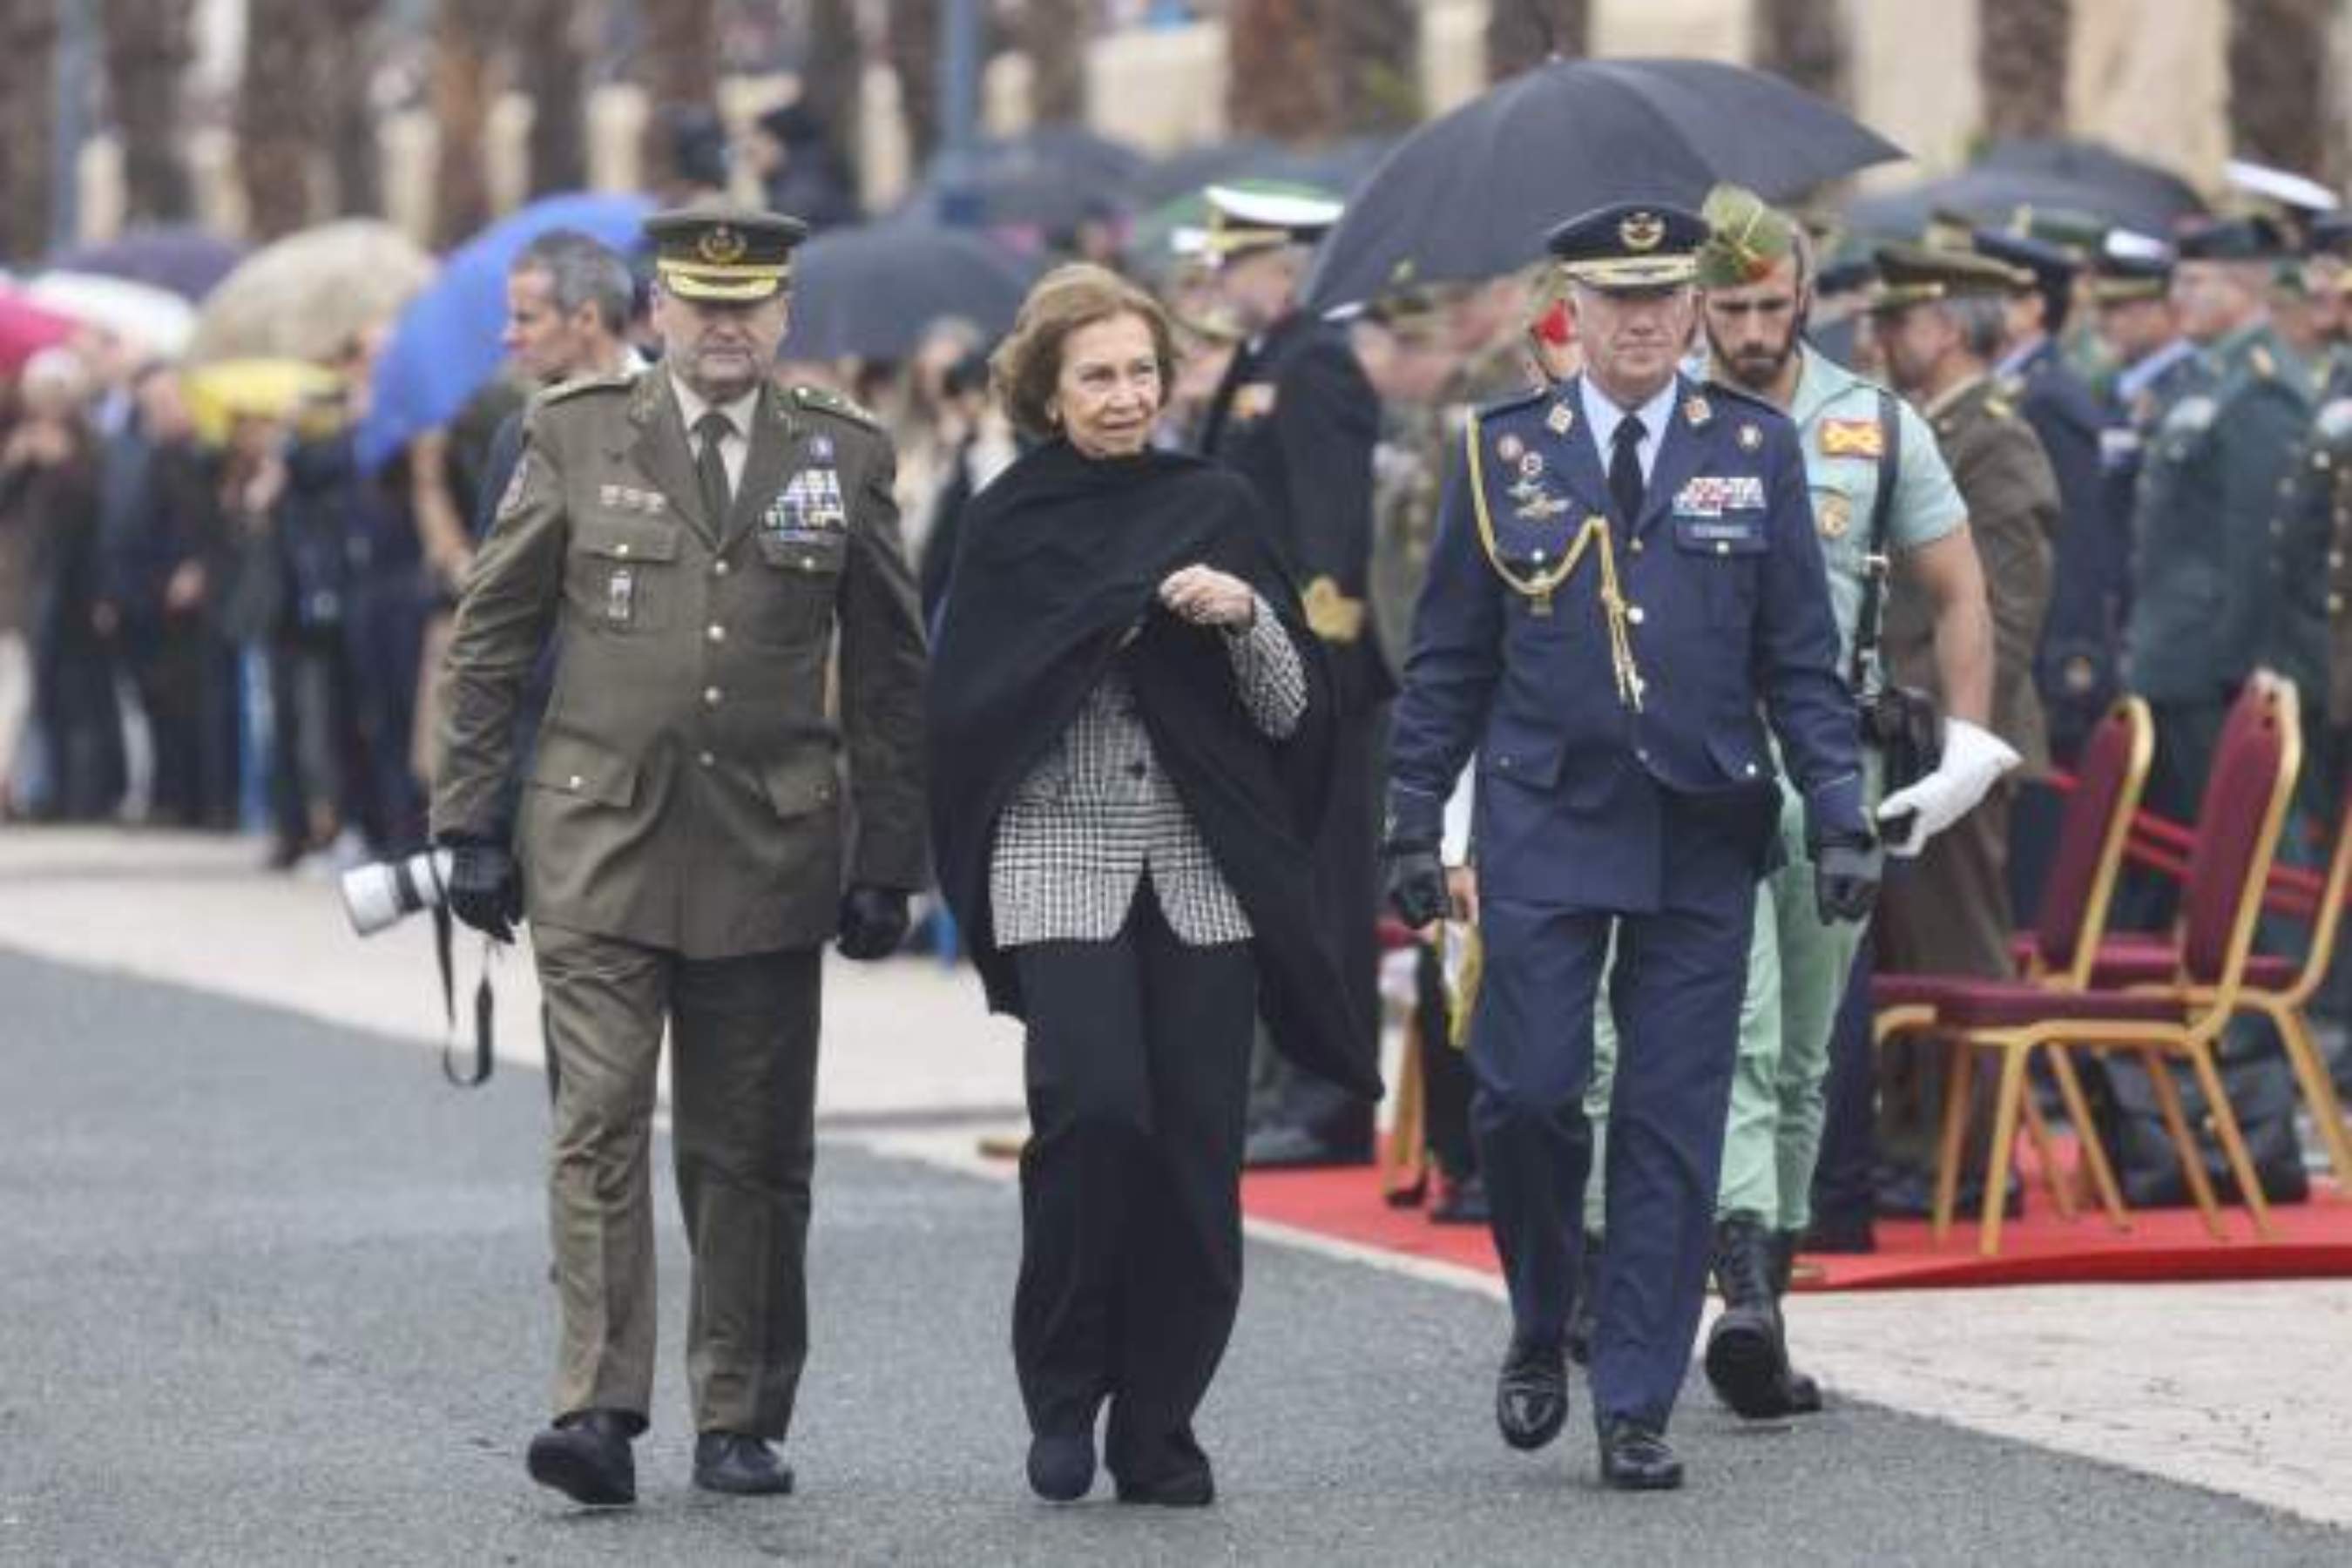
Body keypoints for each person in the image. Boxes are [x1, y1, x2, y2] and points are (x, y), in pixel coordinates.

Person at [432, 204, 929, 1507]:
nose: (723, 327)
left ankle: (739, 1411)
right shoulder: (574, 433)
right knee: (596, 1126)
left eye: (748, 304)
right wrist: (467, 821)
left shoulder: (841, 452)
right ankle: (596, 1405)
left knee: (750, 1147)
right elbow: (491, 639)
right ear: (656, 311)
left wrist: (892, 854)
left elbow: (890, 669)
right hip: (599, 834)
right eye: (700, 305)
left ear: (782, 316)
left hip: (767, 843)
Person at [1383, 201, 1877, 1491]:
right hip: (1545, 819)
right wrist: (1406, 819)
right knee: (1530, 1095)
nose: (1646, 319)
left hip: (1701, 828)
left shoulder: (1752, 449)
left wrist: (1839, 810)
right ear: (1574, 309)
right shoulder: (1504, 454)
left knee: (1670, 1123)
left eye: (1668, 296)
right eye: (1619, 297)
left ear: (1697, 307)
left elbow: (1800, 663)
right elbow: (1446, 661)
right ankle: (1546, 1315)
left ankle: (1639, 1401)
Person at [927, 263, 1375, 1507]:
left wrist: (1242, 619)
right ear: (1048, 392)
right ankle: (1065, 1392)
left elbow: (1296, 716)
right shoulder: (1011, 518)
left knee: (1194, 1156)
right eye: (1097, 378)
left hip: (1198, 868)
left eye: (1139, 373)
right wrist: (1096, 635)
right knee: (1095, 1112)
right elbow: (967, 705)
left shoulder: (1217, 502)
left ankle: (1159, 1425)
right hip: (1058, 853)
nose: (1123, 398)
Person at [1578, 190, 2001, 1416]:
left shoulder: (1872, 424)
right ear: (1695, 303)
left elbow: (1959, 586)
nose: (1754, 329)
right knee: (1713, 1032)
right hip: (1695, 763)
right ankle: (1659, 1277)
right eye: (1733, 307)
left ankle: (1768, 1296)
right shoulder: (1658, 419)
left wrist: (1967, 741)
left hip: (1838, 762)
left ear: (1807, 299)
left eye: (1773, 306)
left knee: (1808, 1043)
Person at [1861, 244, 2059, 1203]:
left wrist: (1956, 743)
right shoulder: (1925, 427)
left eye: (1894, 322)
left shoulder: (1994, 438)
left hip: (1955, 742)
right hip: (1902, 732)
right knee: (1905, 944)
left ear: (1941, 328)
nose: (1878, 338)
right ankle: (1914, 1146)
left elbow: (2009, 610)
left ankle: (1976, 1164)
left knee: (1959, 951)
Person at [1196, 180, 1389, 1169]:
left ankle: (1330, 1099)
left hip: (1313, 674)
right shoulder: (1264, 358)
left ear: (1284, 265)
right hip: (1254, 661)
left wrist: (1317, 667)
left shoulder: (1315, 364)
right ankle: (1283, 1087)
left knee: (1325, 895)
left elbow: (1331, 532)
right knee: (1280, 890)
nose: (1222, 281)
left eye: (1239, 263)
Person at [2121, 214, 2313, 926]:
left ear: (2245, 288)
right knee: (2189, 855)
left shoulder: (2260, 389)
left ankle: (2268, 1011)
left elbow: (2257, 544)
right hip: (2174, 656)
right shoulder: (2208, 377)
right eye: (2179, 280)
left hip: (2215, 664)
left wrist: (2244, 669)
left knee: (2248, 842)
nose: (2179, 296)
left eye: (2196, 281)